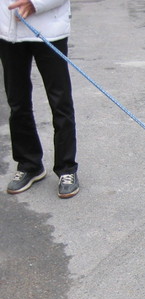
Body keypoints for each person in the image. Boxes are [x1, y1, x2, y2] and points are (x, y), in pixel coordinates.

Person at [0, 0, 79, 198]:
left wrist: (36, 3)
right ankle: (29, 164)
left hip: (50, 29)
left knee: (60, 102)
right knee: (17, 102)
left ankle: (67, 168)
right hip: (9, 31)